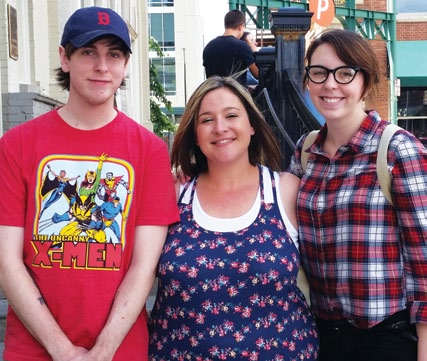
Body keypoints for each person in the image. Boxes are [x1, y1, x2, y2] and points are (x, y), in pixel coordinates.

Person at [0, 6, 179, 361]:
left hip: (120, 350)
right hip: (33, 350)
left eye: (114, 54)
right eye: (88, 52)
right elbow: (6, 260)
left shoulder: (150, 151)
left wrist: (103, 351)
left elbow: (144, 267)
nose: (102, 66)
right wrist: (61, 350)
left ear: (126, 64)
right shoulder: (16, 145)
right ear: (64, 58)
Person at [148, 76, 319, 360]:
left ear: (252, 125)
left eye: (231, 115)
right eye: (206, 120)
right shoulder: (173, 193)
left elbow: (330, 275)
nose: (220, 128)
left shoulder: (286, 191)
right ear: (194, 133)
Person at [287, 28, 427, 361]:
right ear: (307, 80)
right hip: (323, 335)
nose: (330, 84)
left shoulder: (397, 149)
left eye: (345, 73)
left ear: (365, 80)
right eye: (319, 73)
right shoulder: (305, 152)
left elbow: (425, 260)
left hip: (386, 339)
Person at [203, 10, 259, 87]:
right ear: (241, 26)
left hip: (212, 94)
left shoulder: (209, 47)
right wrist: (254, 51)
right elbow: (258, 74)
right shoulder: (241, 46)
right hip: (235, 95)